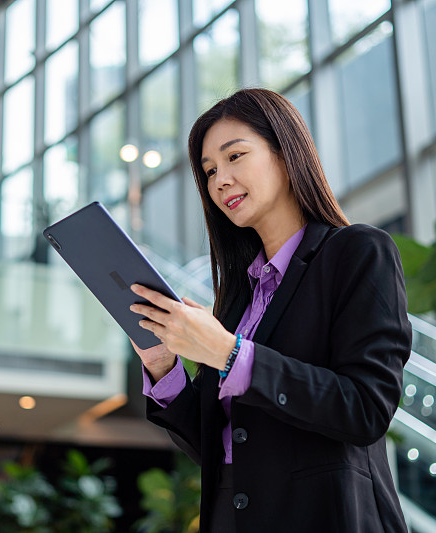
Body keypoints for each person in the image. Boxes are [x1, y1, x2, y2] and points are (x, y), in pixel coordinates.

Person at [129, 88, 411, 532]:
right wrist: (164, 365)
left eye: (235, 156)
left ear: (285, 152)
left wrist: (228, 353)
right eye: (209, 170)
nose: (220, 180)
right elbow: (219, 447)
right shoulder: (240, 298)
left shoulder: (358, 252)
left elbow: (365, 409)